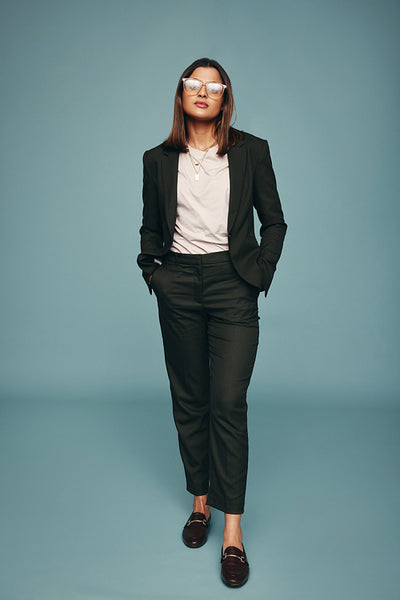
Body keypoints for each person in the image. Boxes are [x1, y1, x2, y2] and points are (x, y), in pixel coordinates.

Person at [137, 57, 287, 588]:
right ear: (181, 96)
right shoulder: (158, 160)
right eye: (193, 85)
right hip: (177, 282)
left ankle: (232, 531)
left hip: (232, 283)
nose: (203, 92)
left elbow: (274, 221)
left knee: (228, 401)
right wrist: (154, 272)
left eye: (214, 86)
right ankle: (199, 502)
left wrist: (257, 273)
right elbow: (150, 228)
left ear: (225, 98)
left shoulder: (251, 151)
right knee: (191, 398)